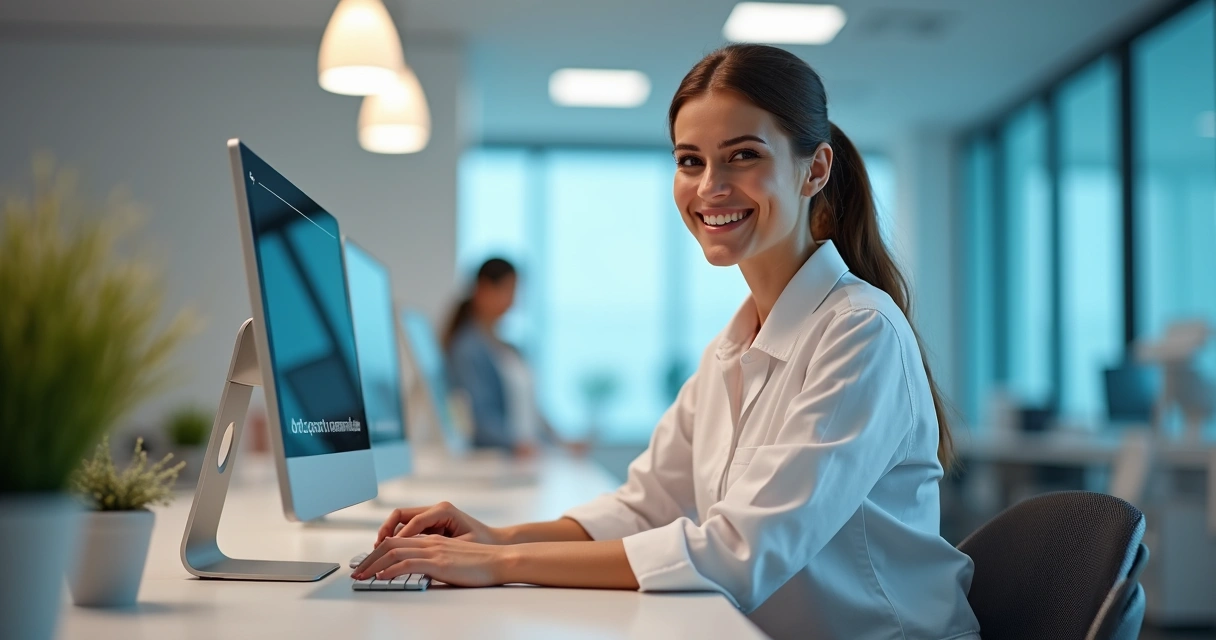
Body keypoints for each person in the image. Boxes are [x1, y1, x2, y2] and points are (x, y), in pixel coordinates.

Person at [354, 44, 980, 640]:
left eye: (743, 156)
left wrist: (501, 565)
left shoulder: (858, 331)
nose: (710, 186)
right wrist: (495, 538)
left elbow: (738, 553)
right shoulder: (730, 350)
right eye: (690, 160)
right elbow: (642, 508)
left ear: (814, 169)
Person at [442, 258, 575, 456]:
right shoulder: (467, 349)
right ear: (484, 290)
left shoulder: (508, 347)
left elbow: (529, 409)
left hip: (525, 455)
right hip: (502, 456)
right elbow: (477, 417)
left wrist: (561, 442)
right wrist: (516, 444)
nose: (513, 300)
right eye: (508, 290)